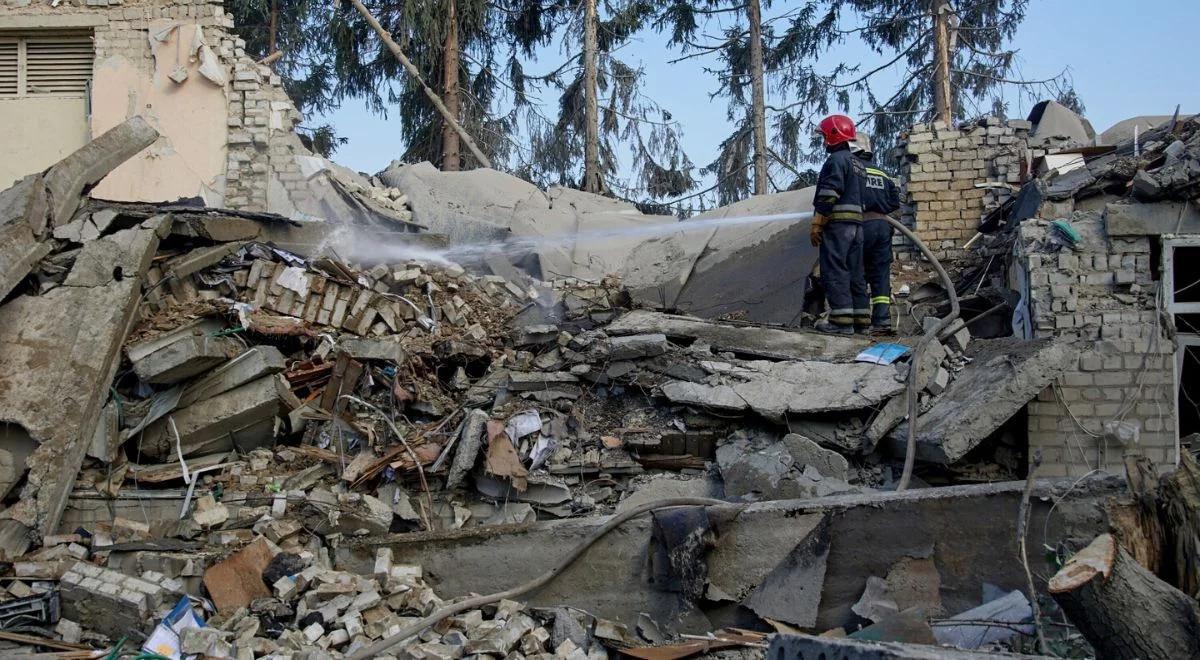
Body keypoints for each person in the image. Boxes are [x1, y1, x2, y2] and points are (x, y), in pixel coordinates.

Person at [810, 114, 869, 334]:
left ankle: (841, 323)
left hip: (838, 226)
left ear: (834, 135)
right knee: (855, 273)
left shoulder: (836, 160)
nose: (824, 141)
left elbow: (828, 194)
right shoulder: (858, 164)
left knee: (835, 271)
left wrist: (818, 222)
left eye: (825, 136)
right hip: (857, 228)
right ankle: (861, 321)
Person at [854, 135, 901, 335]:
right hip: (883, 226)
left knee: (858, 272)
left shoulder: (853, 170)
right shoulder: (882, 173)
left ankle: (861, 321)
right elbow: (895, 202)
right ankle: (882, 321)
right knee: (881, 274)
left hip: (860, 225)